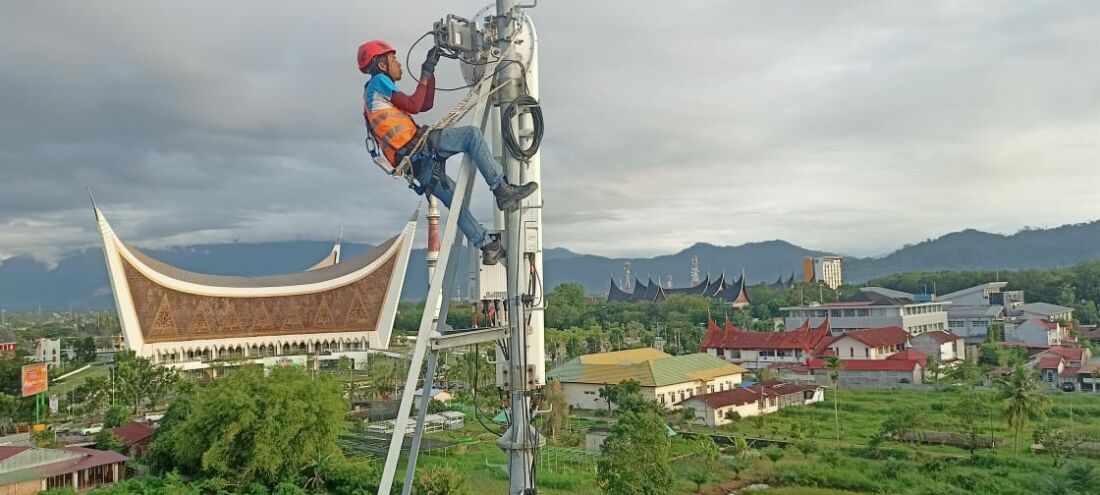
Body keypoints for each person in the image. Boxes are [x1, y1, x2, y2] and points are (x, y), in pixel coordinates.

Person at [358, 40, 537, 265]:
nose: (398, 64)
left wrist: (430, 72)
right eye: (393, 59)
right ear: (381, 65)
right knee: (471, 136)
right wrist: (424, 71)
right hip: (419, 148)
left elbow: (424, 104)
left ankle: (486, 246)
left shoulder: (375, 93)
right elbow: (414, 106)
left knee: (454, 199)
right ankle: (501, 189)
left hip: (419, 163)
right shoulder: (378, 82)